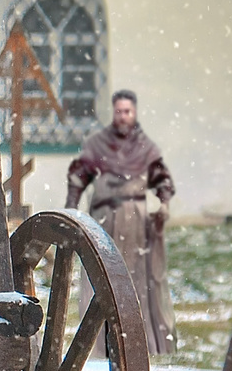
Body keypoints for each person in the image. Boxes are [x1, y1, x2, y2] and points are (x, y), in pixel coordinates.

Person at [65, 90, 176, 352]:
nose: (123, 116)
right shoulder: (98, 144)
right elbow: (79, 176)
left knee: (134, 281)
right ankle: (100, 343)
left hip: (135, 222)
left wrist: (163, 204)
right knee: (101, 277)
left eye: (128, 111)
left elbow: (162, 180)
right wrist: (71, 207)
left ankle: (134, 343)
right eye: (119, 111)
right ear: (114, 113)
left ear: (134, 113)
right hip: (104, 219)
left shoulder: (145, 147)